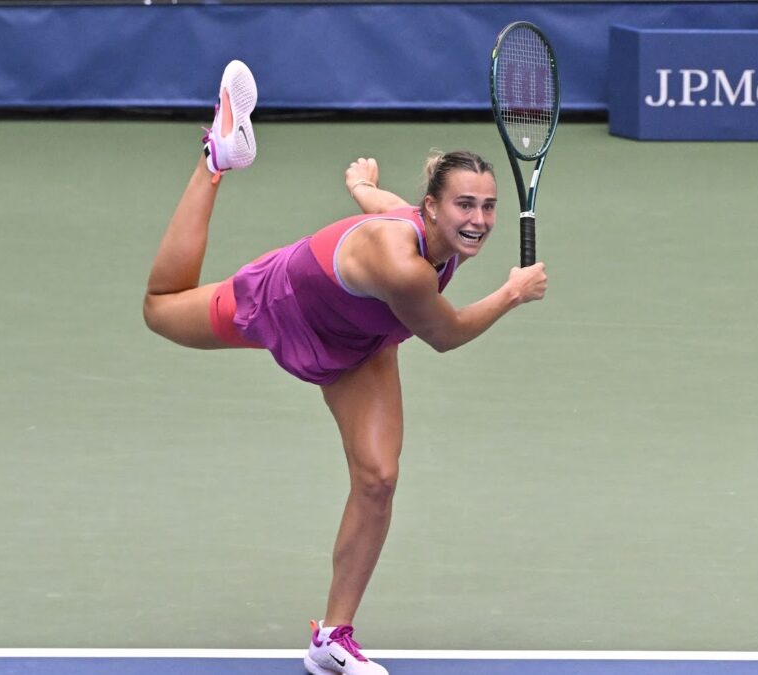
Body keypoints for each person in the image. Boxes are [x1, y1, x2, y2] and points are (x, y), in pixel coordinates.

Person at [142, 60, 548, 675]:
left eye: (488, 207)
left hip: (362, 343)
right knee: (161, 308)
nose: (479, 220)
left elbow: (383, 203)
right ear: (432, 208)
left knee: (378, 478)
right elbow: (445, 334)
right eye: (465, 204)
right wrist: (513, 293)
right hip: (282, 306)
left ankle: (333, 636)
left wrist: (361, 186)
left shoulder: (432, 233)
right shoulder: (404, 267)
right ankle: (215, 160)